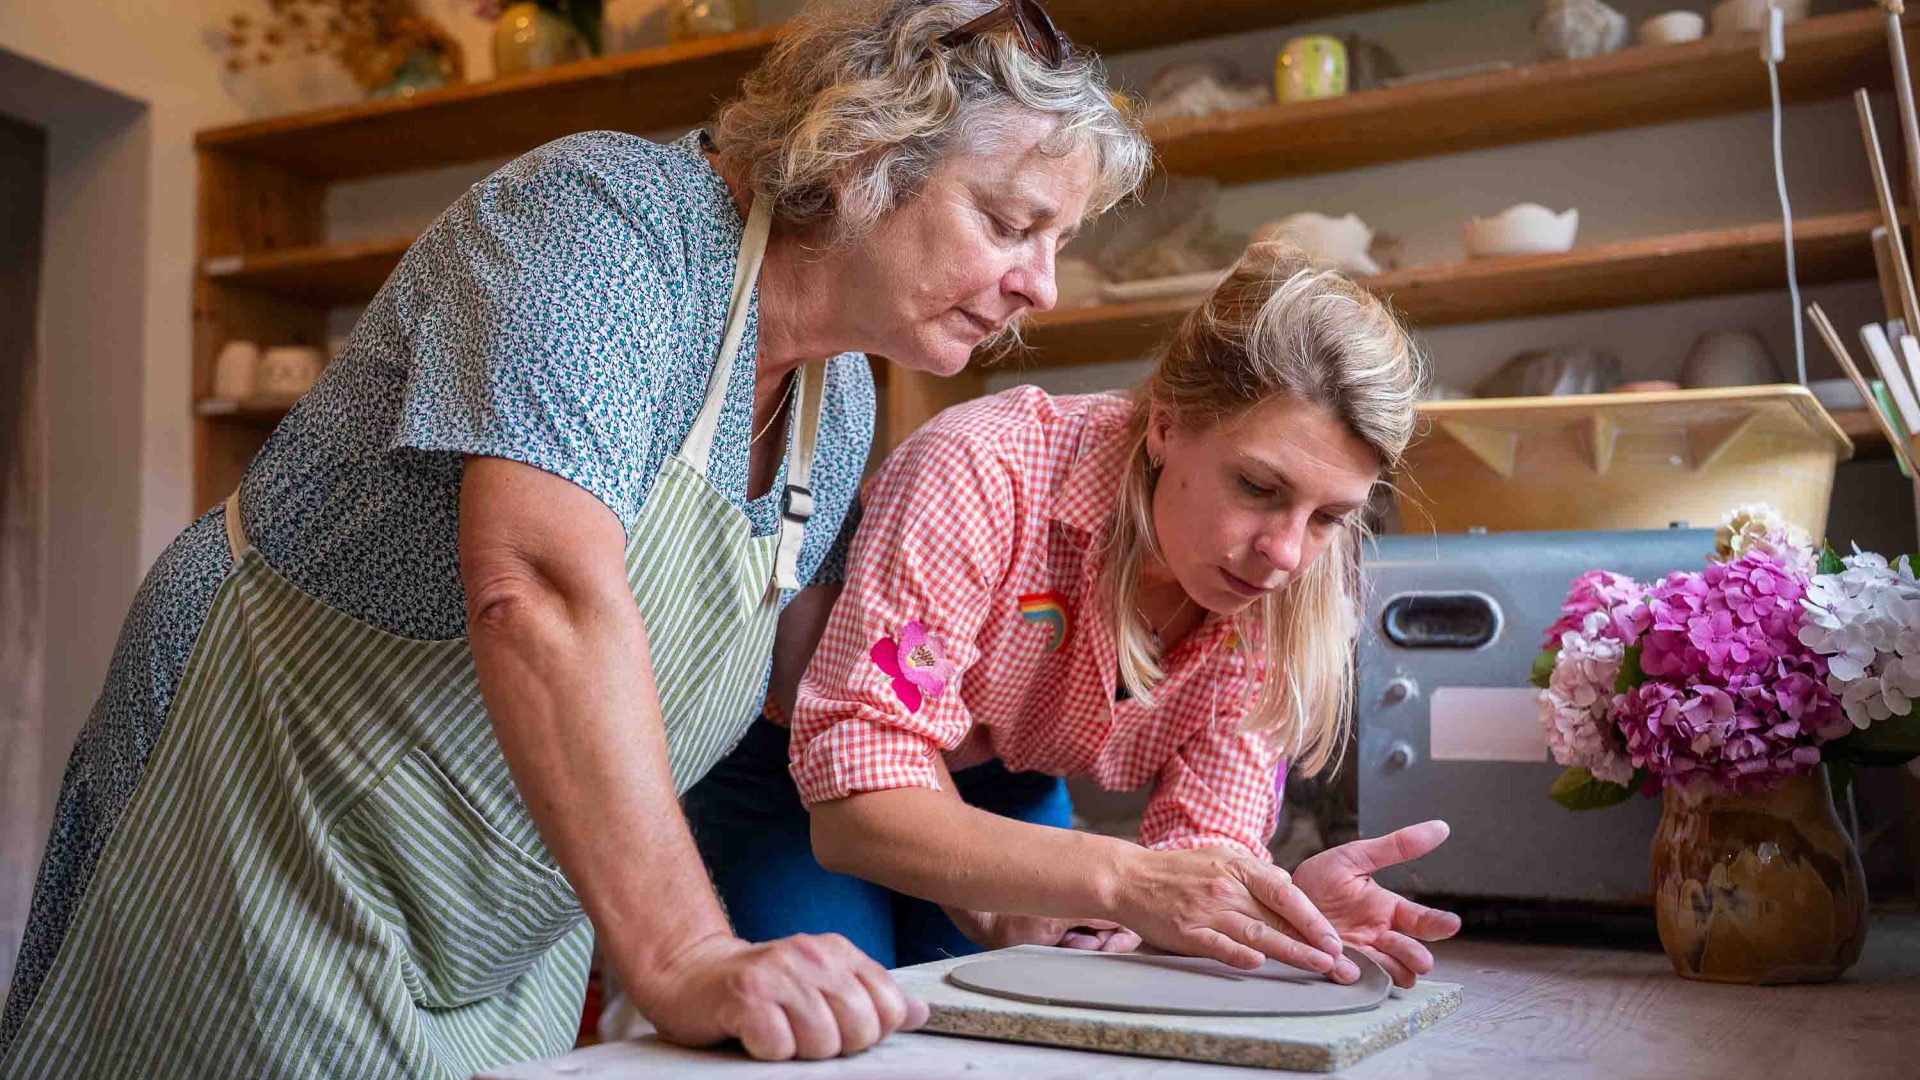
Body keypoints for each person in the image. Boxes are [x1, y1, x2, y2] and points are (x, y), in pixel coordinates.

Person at [0, 2, 1149, 1075]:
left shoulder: (837, 398)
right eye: (1010, 224)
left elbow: (818, 702)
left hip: (518, 900)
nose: (1039, 287)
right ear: (861, 160)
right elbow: (537, 588)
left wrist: (997, 892)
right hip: (285, 817)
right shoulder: (606, 225)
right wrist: (690, 955)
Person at [692, 242, 1462, 985]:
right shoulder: (983, 469)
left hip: (1004, 781)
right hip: (809, 778)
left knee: (1024, 1036)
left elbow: (1198, 859)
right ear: (1167, 424)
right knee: (838, 1020)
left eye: (1329, 516)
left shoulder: (1292, 589)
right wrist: (1114, 881)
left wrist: (1277, 912)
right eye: (1258, 487)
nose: (1287, 552)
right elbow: (863, 784)